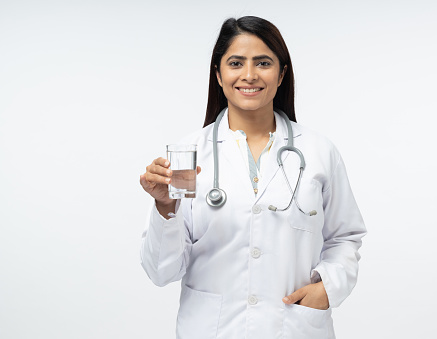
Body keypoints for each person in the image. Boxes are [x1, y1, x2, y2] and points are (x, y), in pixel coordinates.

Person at [140, 16, 366, 339]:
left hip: (294, 329)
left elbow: (345, 237)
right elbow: (162, 271)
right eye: (235, 63)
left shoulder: (318, 152)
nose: (249, 75)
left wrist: (327, 288)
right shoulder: (187, 156)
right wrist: (165, 209)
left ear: (281, 73)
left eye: (263, 63)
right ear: (218, 75)